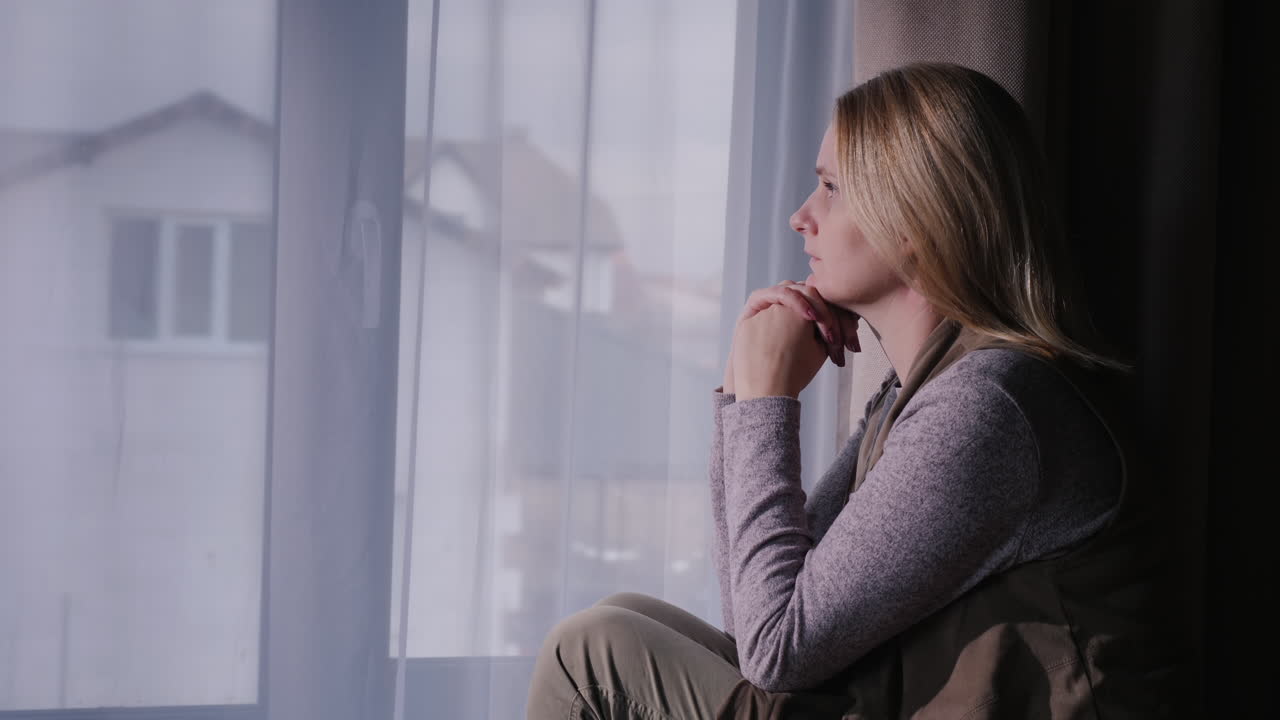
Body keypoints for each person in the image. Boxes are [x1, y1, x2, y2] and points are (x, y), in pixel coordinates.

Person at [526, 62, 1175, 719]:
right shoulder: (918, 394)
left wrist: (765, 403)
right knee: (623, 615)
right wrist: (743, 388)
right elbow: (762, 620)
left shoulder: (990, 407)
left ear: (916, 215)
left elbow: (777, 652)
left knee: (591, 651)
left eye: (831, 188)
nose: (800, 217)